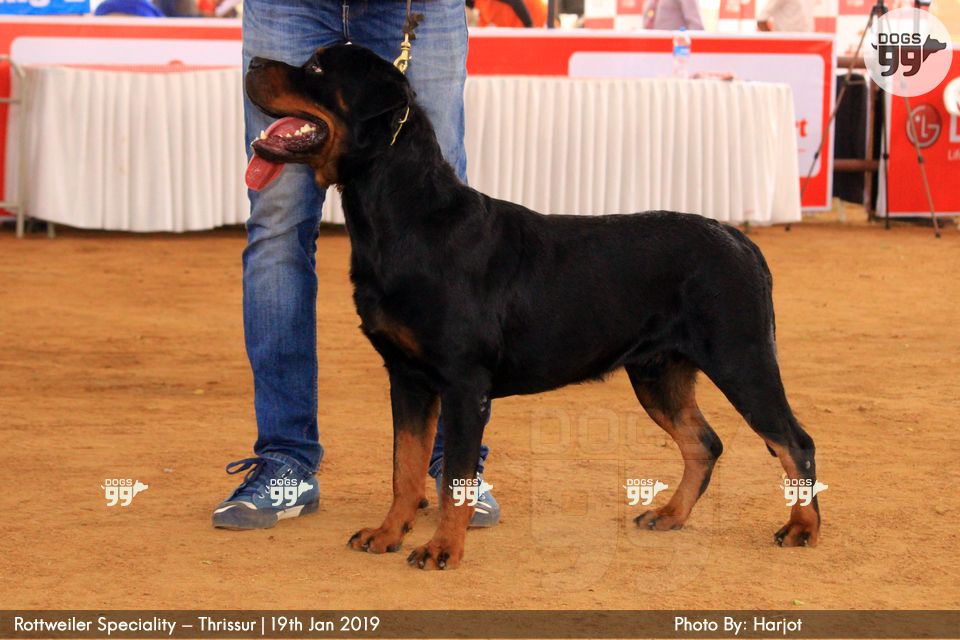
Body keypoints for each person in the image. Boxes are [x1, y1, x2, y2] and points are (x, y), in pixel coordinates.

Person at [213, 0, 500, 531]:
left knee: (443, 214)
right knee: (278, 224)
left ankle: (454, 468)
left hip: (416, 7)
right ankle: (286, 459)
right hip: (289, 6)